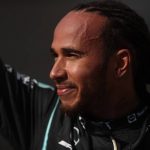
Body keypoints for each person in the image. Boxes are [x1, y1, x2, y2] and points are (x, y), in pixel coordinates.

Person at [0, 0, 150, 149]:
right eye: (55, 56)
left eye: (71, 55)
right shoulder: (42, 113)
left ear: (120, 64)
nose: (54, 73)